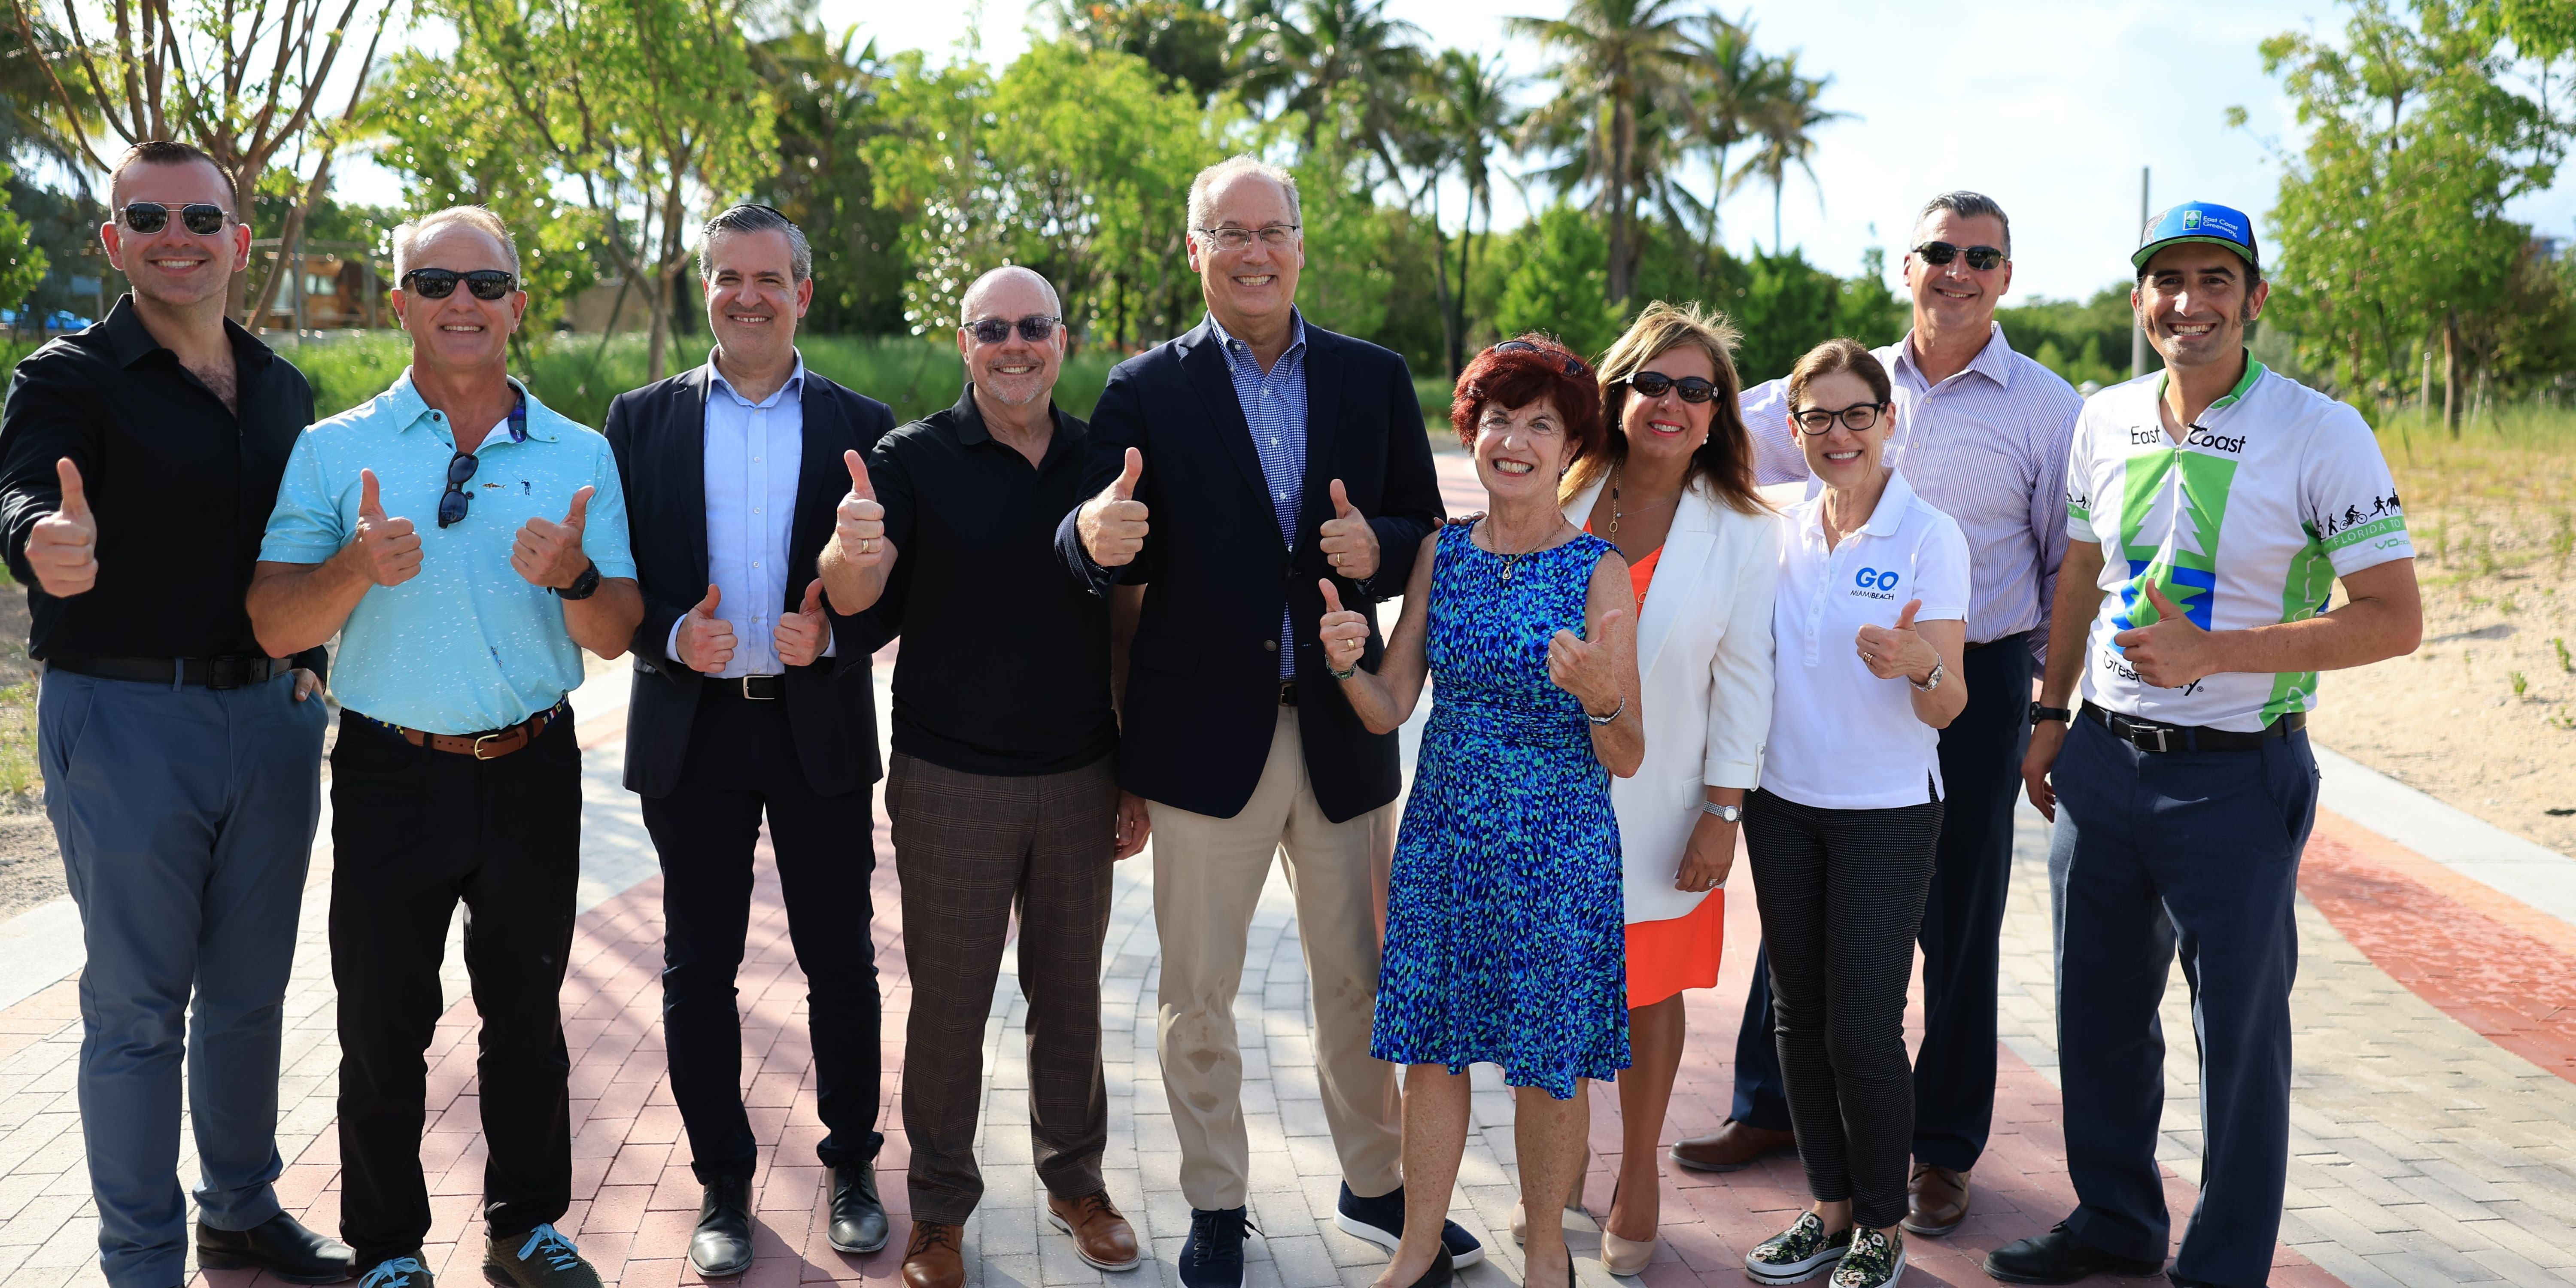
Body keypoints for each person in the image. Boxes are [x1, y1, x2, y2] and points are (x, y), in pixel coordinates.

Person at [1988, 203, 2421, 1288]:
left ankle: (2223, 1265)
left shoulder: (2323, 431)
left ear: (2254, 299)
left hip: (2239, 777)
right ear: (2141, 302)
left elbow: (2392, 615)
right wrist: (2051, 716)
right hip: (2101, 764)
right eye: (2168, 281)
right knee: (2093, 1017)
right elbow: (2079, 575)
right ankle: (2117, 1222)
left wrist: (2215, 653)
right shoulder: (2106, 417)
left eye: (2215, 280)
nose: (2190, 302)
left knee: (2239, 1042)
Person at [1053, 154, 1459, 1288]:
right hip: (1200, 744)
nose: (1253, 251)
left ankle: (1376, 1185)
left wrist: (1377, 546)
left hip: (1342, 730)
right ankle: (1217, 1203)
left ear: (1297, 243)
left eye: (1271, 229)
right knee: (1198, 997)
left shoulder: (1375, 379)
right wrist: (1095, 535)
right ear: (1196, 249)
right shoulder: (1143, 390)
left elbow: (1423, 527)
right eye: (1228, 232)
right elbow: (1086, 535)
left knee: (1359, 983)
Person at [247, 205, 643, 1288]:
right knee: (383, 1022)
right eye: (435, 283)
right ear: (400, 303)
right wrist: (351, 574)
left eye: (484, 283)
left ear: (518, 303)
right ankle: (387, 1249)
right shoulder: (336, 450)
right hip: (389, 772)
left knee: (526, 1015)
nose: (460, 302)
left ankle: (525, 1229)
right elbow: (276, 624)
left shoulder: (581, 453)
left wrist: (572, 577)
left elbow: (614, 634)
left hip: (531, 770)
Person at [1686, 193, 2081, 1237]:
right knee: (1805, 913)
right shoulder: (1838, 380)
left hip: (1976, 678)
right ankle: (1774, 1110)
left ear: (2006, 275)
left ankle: (1942, 1150)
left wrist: (2044, 705)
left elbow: (2064, 561)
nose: (1959, 270)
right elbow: (1706, 427)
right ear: (1906, 266)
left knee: (1958, 924)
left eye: (1982, 257)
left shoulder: (2048, 408)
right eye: (1940, 252)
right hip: (1822, 679)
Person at [0, 139, 351, 1288]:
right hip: (127, 719)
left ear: (239, 242)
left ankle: (240, 1212)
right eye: (145, 217)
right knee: (140, 1011)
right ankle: (139, 1260)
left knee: (251, 994)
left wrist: (319, 667)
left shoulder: (285, 387)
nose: (175, 236)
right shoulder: (69, 377)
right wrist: (36, 541)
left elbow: (296, 554)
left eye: (200, 217)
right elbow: (21, 486)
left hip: (273, 722)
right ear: (114, 241)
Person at [818, 265, 1149, 1288]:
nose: (1015, 345)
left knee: (1073, 997)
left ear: (1063, 339)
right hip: (949, 773)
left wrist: (1132, 766)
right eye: (993, 329)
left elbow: (1134, 621)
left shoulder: (1108, 458)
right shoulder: (911, 457)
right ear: (965, 343)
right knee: (951, 1007)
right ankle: (941, 1213)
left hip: (1081, 773)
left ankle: (1077, 1184)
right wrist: (850, 551)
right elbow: (854, 597)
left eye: (1034, 327)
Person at [601, 203, 896, 1279]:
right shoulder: (641, 420)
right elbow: (615, 578)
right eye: (728, 277)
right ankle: (722, 1184)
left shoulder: (867, 420)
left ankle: (853, 1166)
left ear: (803, 292)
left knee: (842, 964)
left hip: (815, 729)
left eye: (769, 278)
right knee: (697, 971)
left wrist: (839, 628)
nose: (748, 296)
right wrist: (676, 630)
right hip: (695, 732)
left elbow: (896, 580)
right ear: (706, 289)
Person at [1319, 334, 1641, 1288]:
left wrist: (1599, 697)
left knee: (1549, 1064)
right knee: (1431, 1052)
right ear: (1473, 432)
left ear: (1569, 448)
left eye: (1541, 425)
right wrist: (1346, 662)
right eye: (1499, 419)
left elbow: (1627, 754)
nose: (1516, 441)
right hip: (1446, 838)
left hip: (1559, 846)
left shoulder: (1599, 571)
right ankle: (1420, 1246)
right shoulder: (1440, 553)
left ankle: (1548, 1252)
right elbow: (1392, 703)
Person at [1532, 303, 1779, 1276]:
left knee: (1648, 995)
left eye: (1696, 390)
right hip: (1543, 797)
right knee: (1556, 992)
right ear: (1617, 392)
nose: (1672, 403)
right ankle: (1558, 1175)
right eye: (1653, 383)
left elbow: (1748, 686)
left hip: (1666, 803)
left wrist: (1725, 814)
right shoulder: (1562, 488)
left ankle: (1638, 1176)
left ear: (1717, 413)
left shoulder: (1744, 535)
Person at [1737, 339, 1968, 1288]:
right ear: (1794, 430)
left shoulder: (1929, 536)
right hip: (1783, 803)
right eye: (1818, 418)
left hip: (1885, 811)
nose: (1839, 435)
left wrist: (1920, 663)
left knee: (1861, 1025)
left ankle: (1881, 1223)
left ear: (1889, 421)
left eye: (1857, 414)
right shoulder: (1776, 522)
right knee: (1796, 1016)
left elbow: (1946, 705)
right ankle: (1829, 1210)